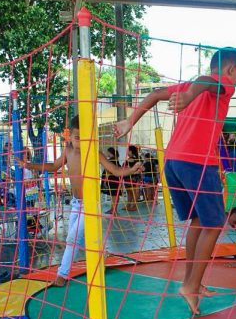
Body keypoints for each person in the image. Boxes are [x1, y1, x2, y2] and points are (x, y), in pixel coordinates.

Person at [113, 47, 236, 314]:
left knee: (199, 222)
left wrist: (130, 121)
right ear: (231, 69)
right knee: (214, 223)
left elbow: (154, 95)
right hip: (197, 162)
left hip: (173, 163)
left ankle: (190, 282)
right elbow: (207, 82)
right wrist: (189, 95)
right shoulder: (222, 85)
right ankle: (192, 286)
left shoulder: (189, 85)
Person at [17, 115, 143, 286]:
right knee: (80, 238)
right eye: (77, 138)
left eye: (84, 138)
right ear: (70, 136)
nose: (80, 142)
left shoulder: (93, 153)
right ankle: (101, 254)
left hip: (91, 204)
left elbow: (114, 170)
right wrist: (29, 165)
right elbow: (54, 166)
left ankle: (62, 275)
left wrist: (132, 169)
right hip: (76, 203)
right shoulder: (68, 151)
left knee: (73, 238)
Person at [100, 147, 122, 215]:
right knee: (114, 195)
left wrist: (105, 181)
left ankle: (114, 210)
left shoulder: (111, 161)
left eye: (107, 152)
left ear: (110, 152)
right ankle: (113, 209)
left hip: (112, 180)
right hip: (115, 179)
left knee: (114, 195)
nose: (106, 153)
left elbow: (108, 172)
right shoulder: (115, 160)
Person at [123, 145, 142, 211]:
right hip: (128, 177)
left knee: (133, 192)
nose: (126, 152)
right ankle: (128, 205)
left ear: (131, 151)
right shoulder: (132, 159)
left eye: (127, 150)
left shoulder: (135, 158)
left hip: (133, 178)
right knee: (129, 192)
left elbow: (140, 169)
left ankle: (134, 206)